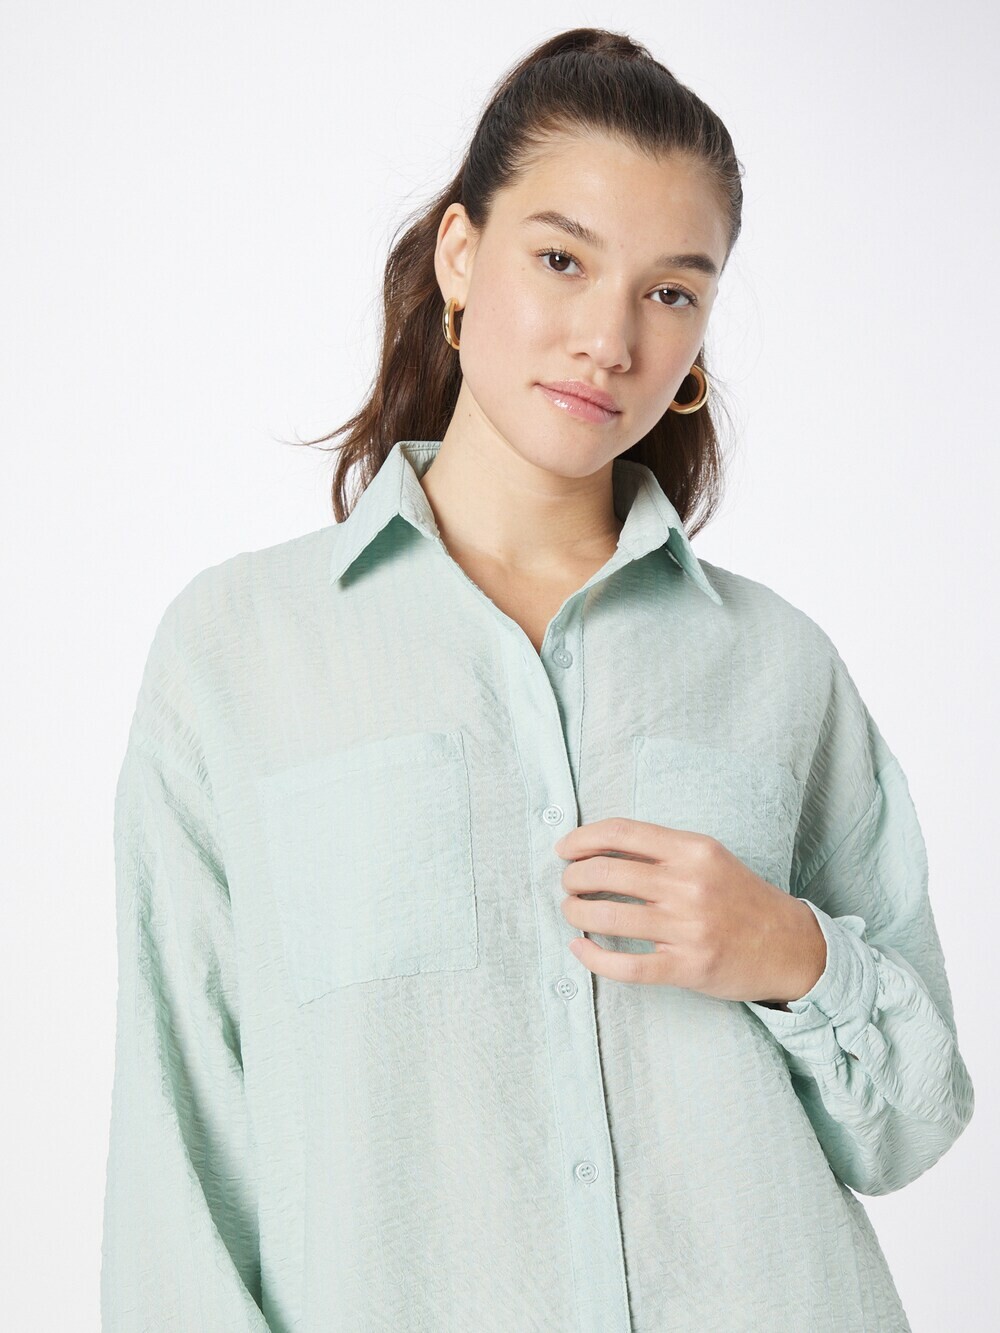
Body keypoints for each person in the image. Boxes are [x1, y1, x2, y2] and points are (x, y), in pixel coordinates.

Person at [100, 26, 975, 1333]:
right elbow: (178, 1163)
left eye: (671, 292)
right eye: (563, 260)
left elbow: (911, 1125)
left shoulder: (778, 666)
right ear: (461, 255)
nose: (610, 338)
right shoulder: (238, 653)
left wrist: (790, 954)